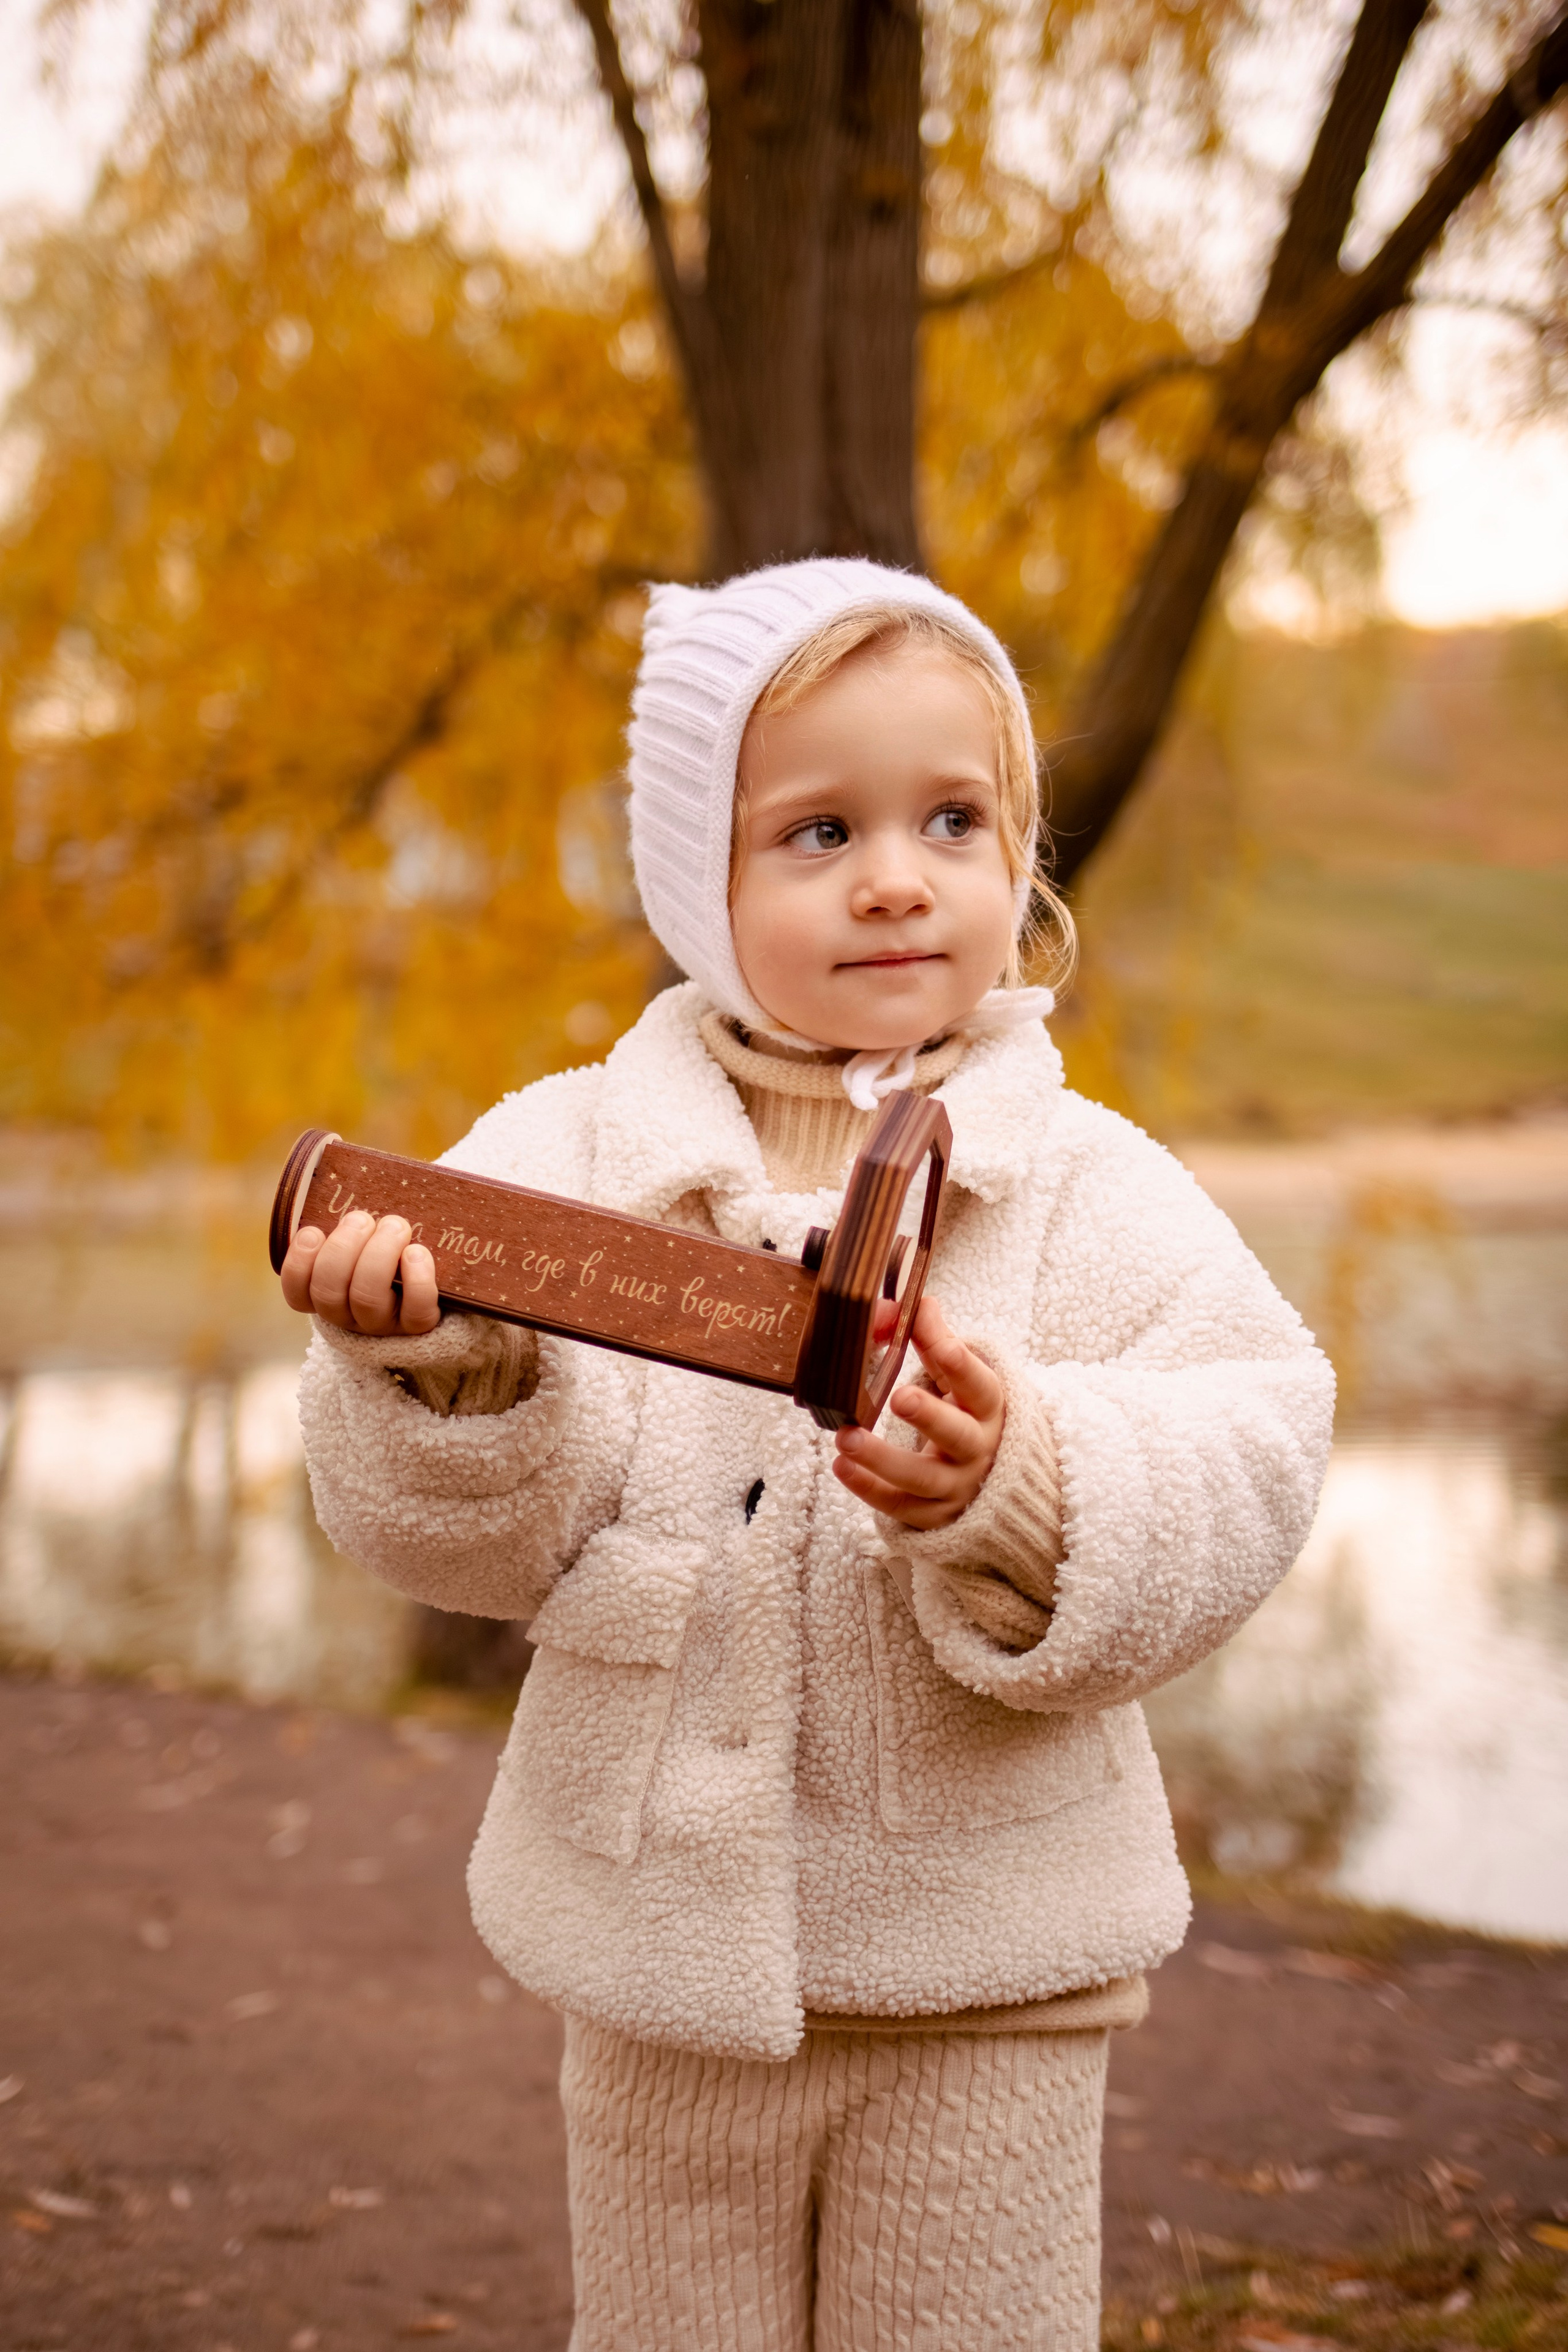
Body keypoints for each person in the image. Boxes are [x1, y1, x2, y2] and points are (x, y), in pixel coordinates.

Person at [284, 558, 1333, 2351]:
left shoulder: (1087, 1184)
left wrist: (1033, 1480)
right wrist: (442, 1382)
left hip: (985, 1980)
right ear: (703, 878)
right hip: (659, 1970)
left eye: (953, 817)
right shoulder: (567, 1162)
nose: (897, 878)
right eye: (817, 832)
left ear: (1024, 861)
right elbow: (465, 1550)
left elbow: (1258, 1430)